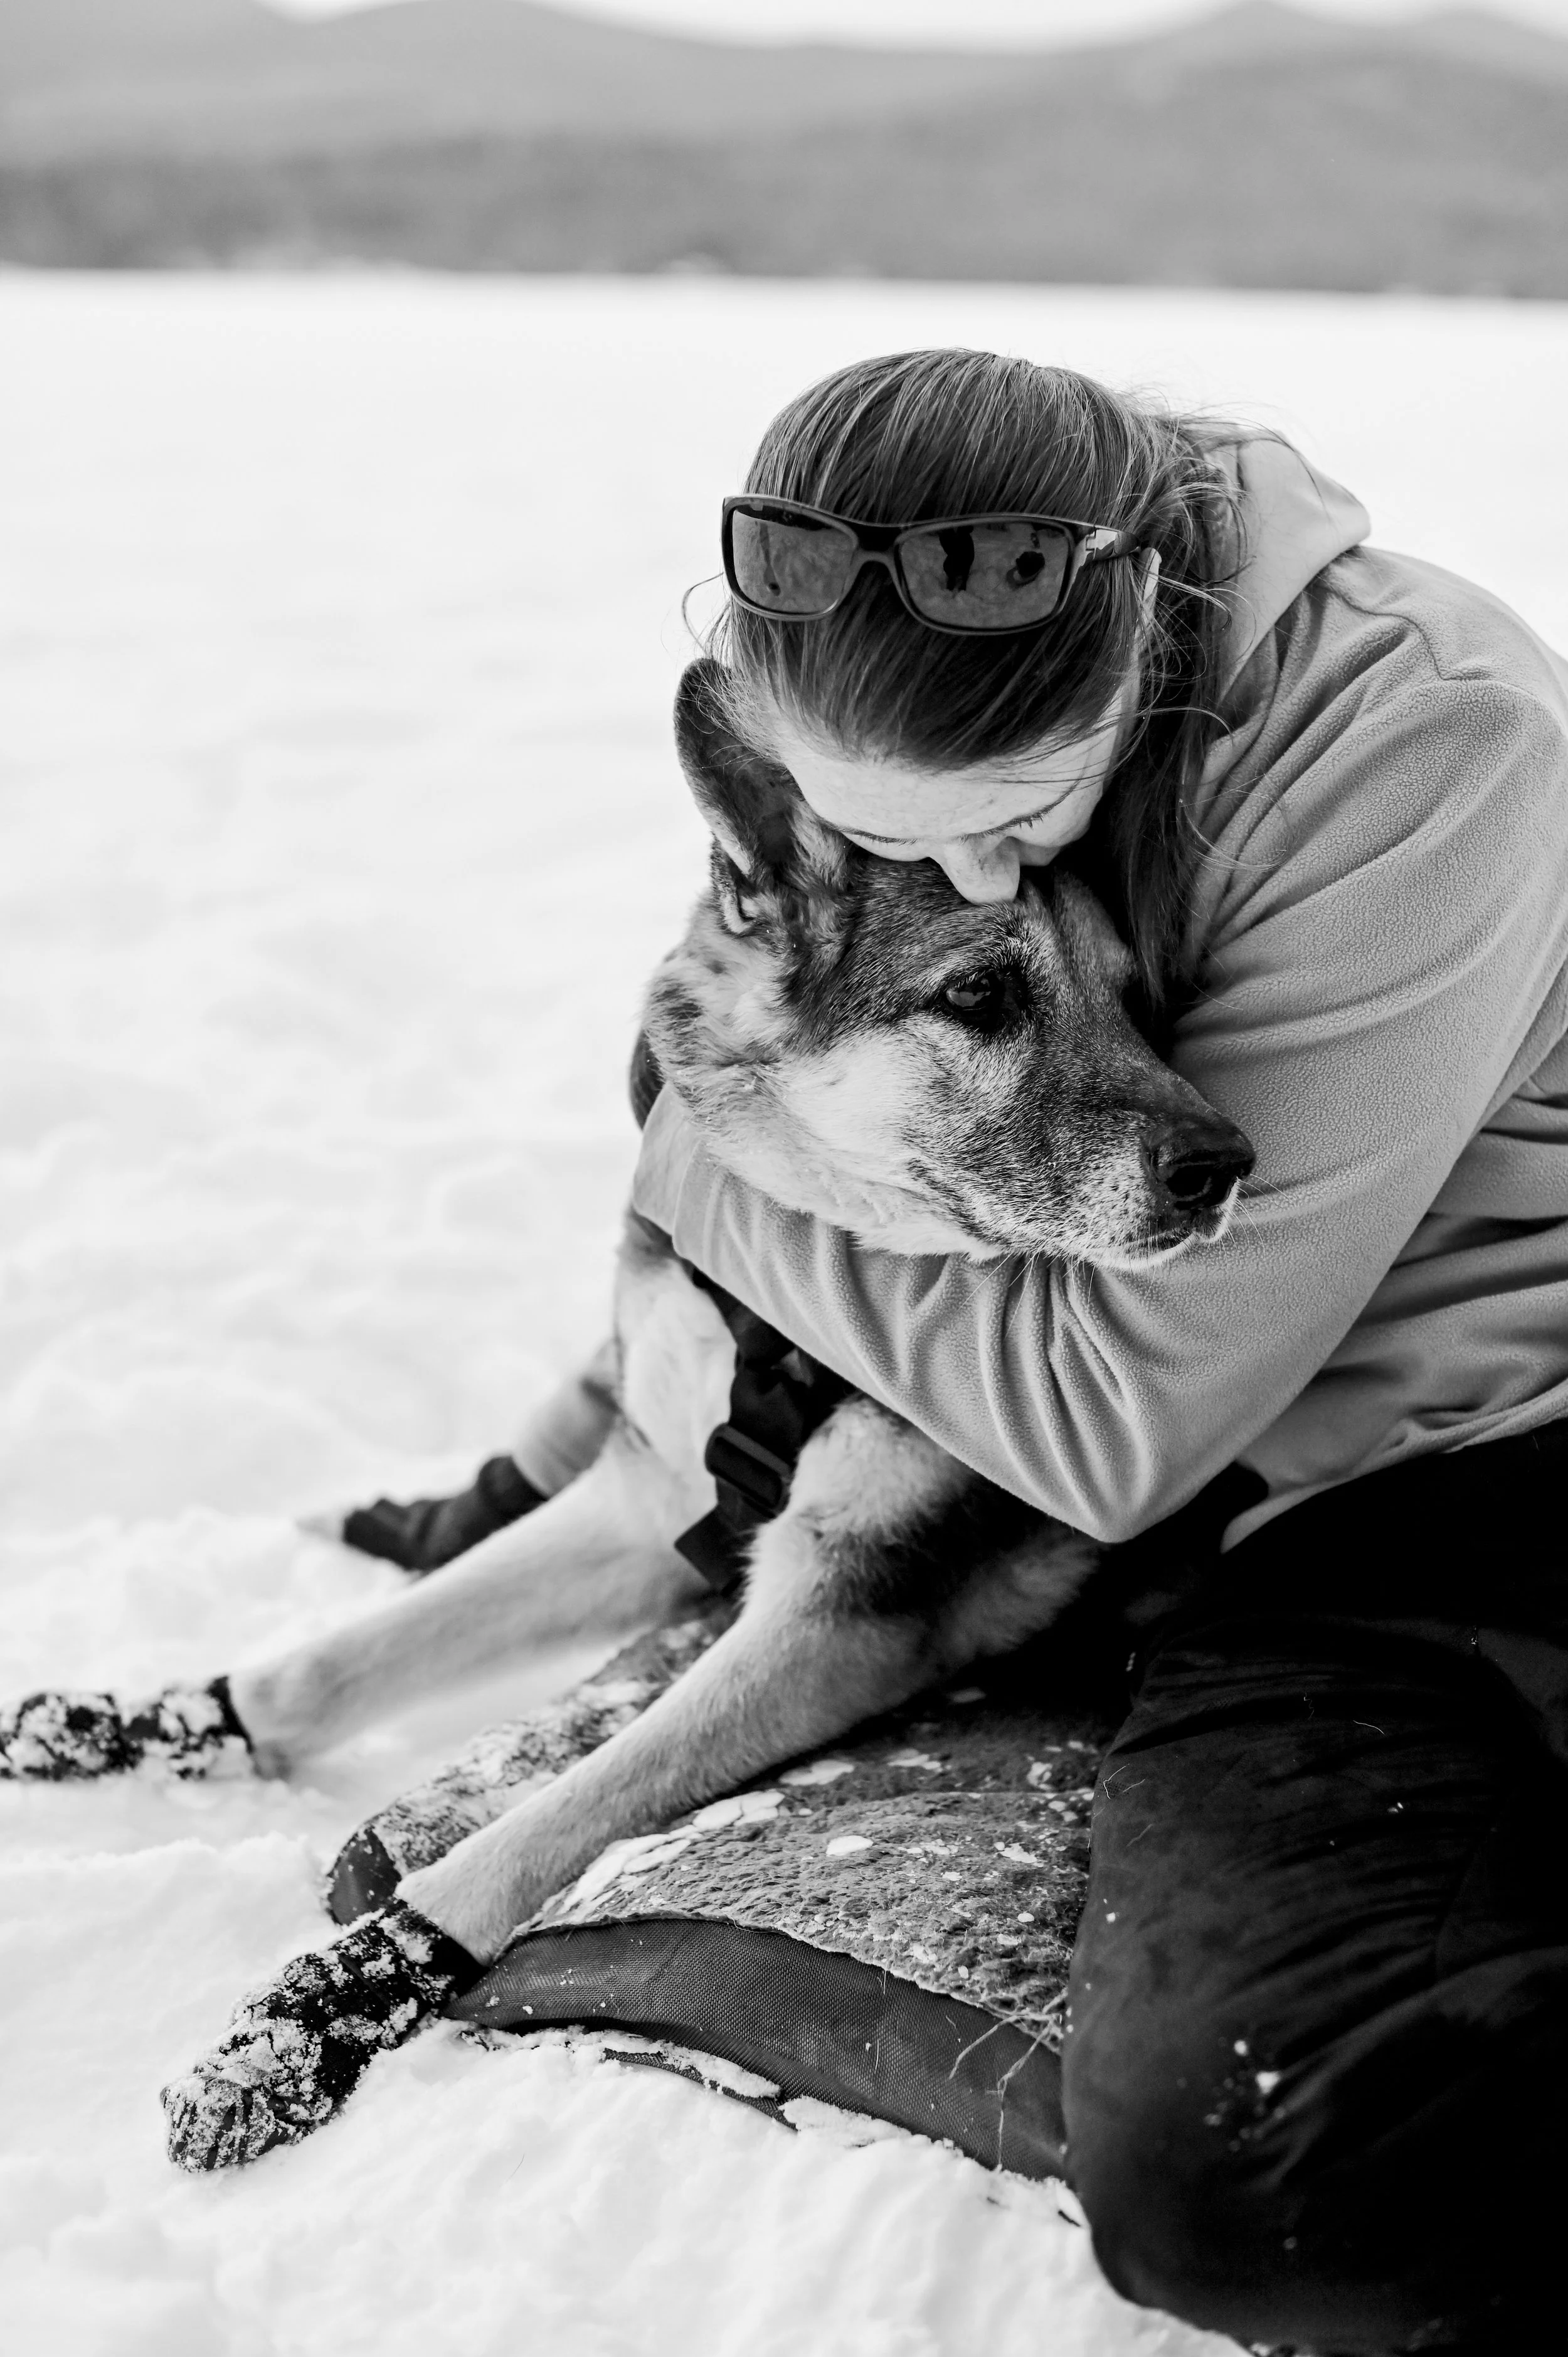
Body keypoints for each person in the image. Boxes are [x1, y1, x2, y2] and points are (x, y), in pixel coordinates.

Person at [349, 349, 1568, 2352]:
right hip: (1300, 1524)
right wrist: (568, 1422)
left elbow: (1104, 1421)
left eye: (1013, 814)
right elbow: (795, 1072)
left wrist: (700, 1151)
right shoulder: (922, 719)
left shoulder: (1425, 750)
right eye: (880, 827)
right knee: (1237, 2182)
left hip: (1488, 1451)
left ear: (1130, 659)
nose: (981, 872)